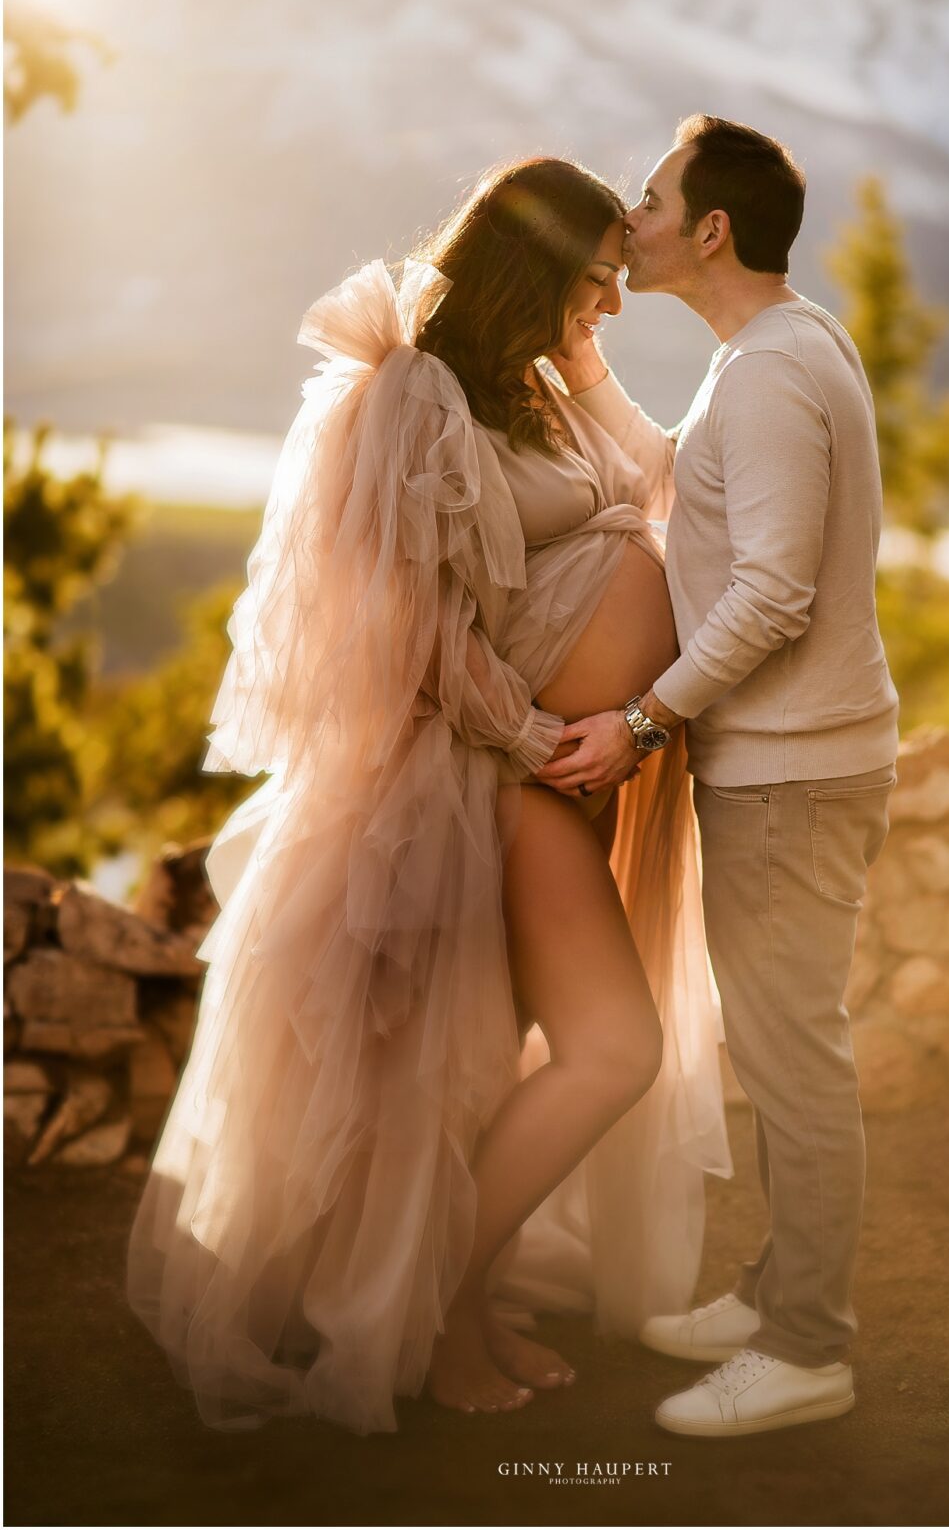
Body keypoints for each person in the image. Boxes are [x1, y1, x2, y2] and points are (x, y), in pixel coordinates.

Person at [128, 161, 726, 1433]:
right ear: (536, 266)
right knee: (607, 1048)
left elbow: (661, 491)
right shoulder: (413, 394)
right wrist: (536, 738)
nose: (610, 306)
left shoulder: (541, 388)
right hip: (484, 777)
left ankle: (462, 1289)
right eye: (596, 281)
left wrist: (587, 366)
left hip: (553, 774)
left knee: (488, 1065)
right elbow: (412, 626)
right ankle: (439, 1311)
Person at [545, 116, 899, 1440]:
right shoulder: (775, 353)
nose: (628, 223)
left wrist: (640, 722)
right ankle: (777, 1295)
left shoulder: (765, 371)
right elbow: (680, 489)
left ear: (710, 231)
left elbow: (770, 596)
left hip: (793, 777)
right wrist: (580, 364)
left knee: (795, 1059)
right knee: (778, 1044)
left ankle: (808, 1348)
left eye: (648, 201)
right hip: (796, 768)